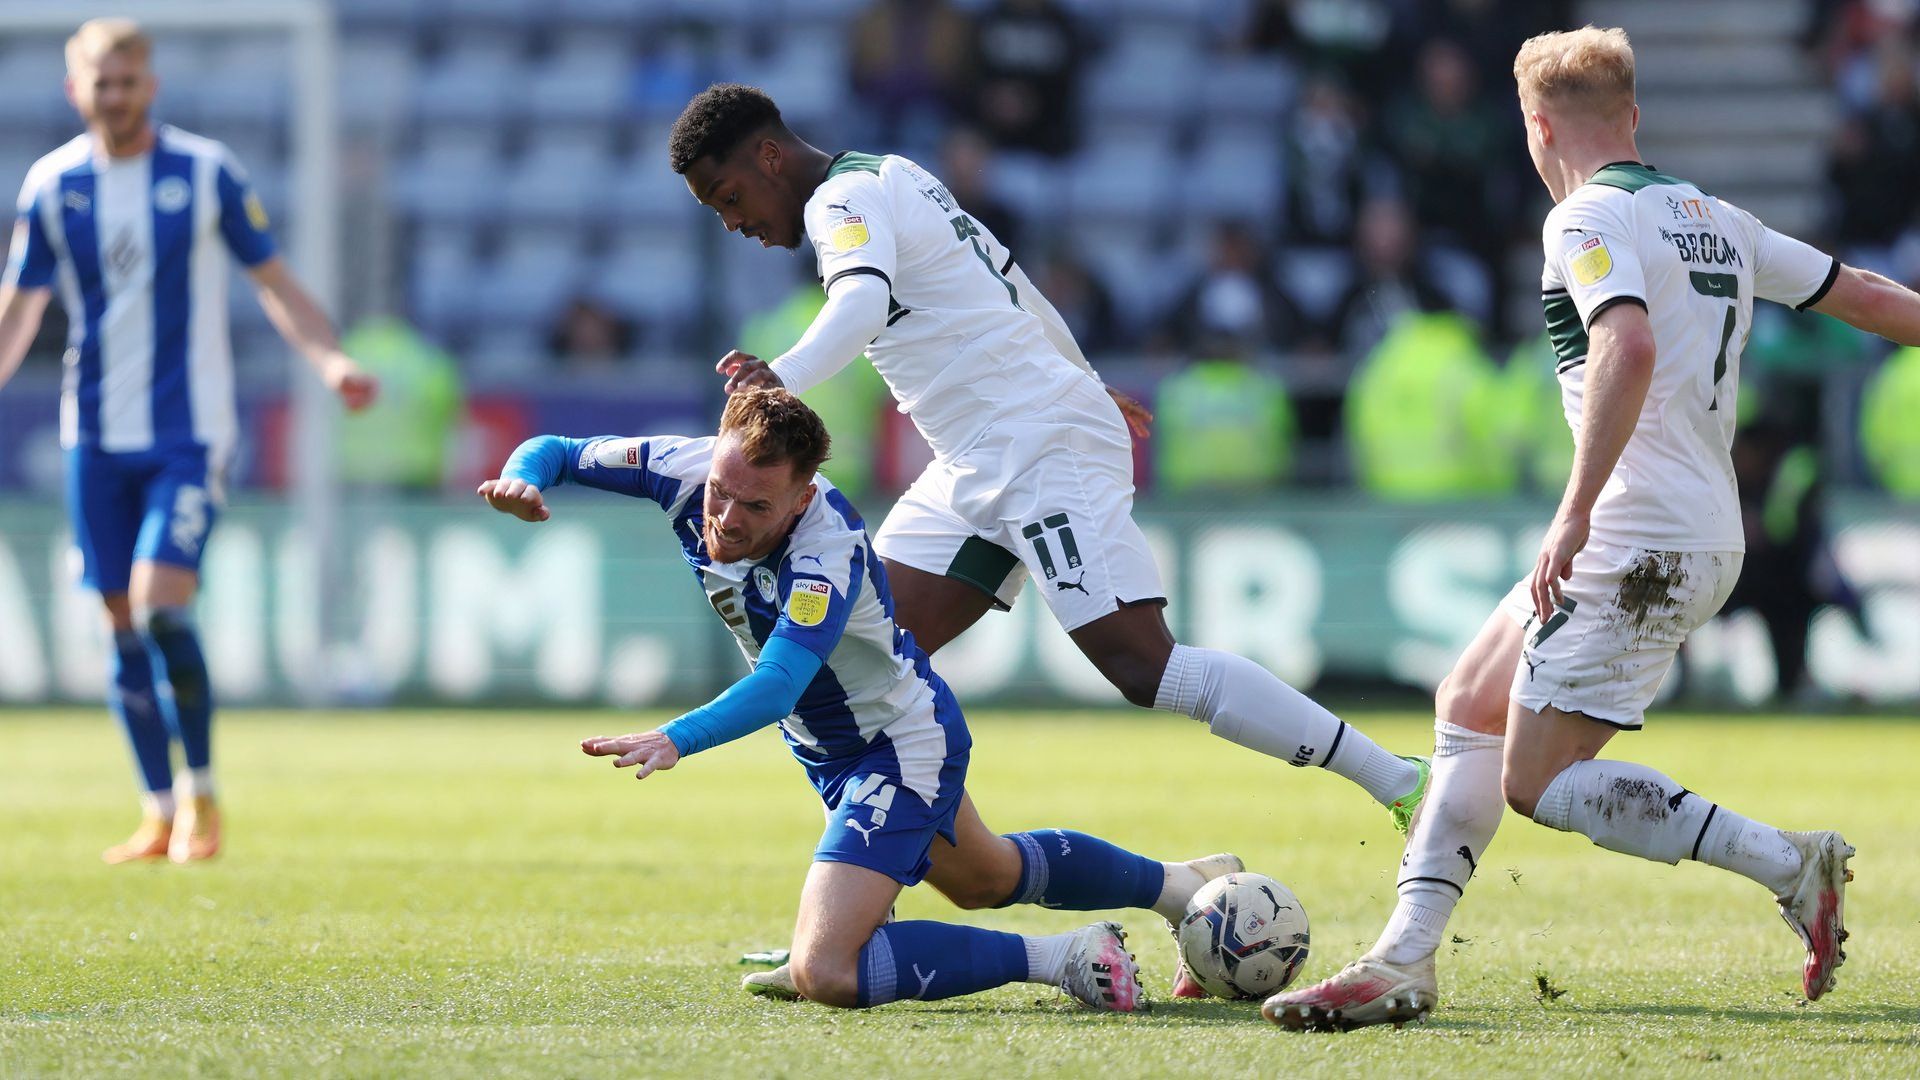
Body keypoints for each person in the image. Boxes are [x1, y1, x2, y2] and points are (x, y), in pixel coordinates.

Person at [1266, 25, 1920, 1030]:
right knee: (1471, 702)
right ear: (1633, 117)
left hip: (1636, 536)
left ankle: (1790, 862)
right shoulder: (1716, 216)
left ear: (1535, 127)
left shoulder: (1581, 219)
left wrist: (1569, 517)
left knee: (1536, 782)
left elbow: (1627, 344)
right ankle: (1407, 955)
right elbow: (1869, 296)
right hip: (1701, 528)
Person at [667, 84, 1429, 851]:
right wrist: (1086, 375)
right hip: (976, 455)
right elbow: (1011, 286)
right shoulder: (895, 175)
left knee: (1140, 665)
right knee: (857, 662)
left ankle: (1401, 782)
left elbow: (861, 305)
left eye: (729, 196)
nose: (734, 222)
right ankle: (848, 911)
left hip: (1035, 444)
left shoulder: (841, 202)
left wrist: (783, 376)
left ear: (769, 156)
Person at [478, 387, 1252, 1011]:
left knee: (829, 971)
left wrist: (677, 736)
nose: (725, 519)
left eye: (756, 508)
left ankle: (1066, 958)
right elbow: (559, 451)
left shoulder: (826, 552)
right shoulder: (683, 467)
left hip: (897, 744)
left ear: (801, 495)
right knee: (984, 877)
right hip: (836, 747)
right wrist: (524, 478)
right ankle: (1177, 884)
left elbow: (781, 684)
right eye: (720, 493)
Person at [0, 19, 377, 864]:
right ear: (76, 90)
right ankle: (157, 809)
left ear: (151, 86)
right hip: (92, 433)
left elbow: (273, 281)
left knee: (162, 602)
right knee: (119, 623)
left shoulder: (204, 172)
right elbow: (19, 307)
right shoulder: (52, 184)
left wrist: (329, 359)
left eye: (128, 80)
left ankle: (203, 794)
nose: (116, 95)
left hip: (189, 432)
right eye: (101, 82)